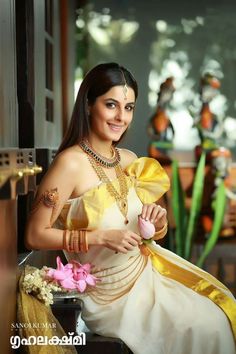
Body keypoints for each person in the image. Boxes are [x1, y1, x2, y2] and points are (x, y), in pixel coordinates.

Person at [25, 62, 236, 354]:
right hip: (109, 296)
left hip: (148, 274)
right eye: (111, 105)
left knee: (219, 310)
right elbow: (35, 235)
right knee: (203, 326)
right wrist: (100, 237)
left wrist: (157, 220)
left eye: (129, 107)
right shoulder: (69, 164)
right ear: (88, 105)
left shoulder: (128, 160)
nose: (121, 117)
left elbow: (149, 231)